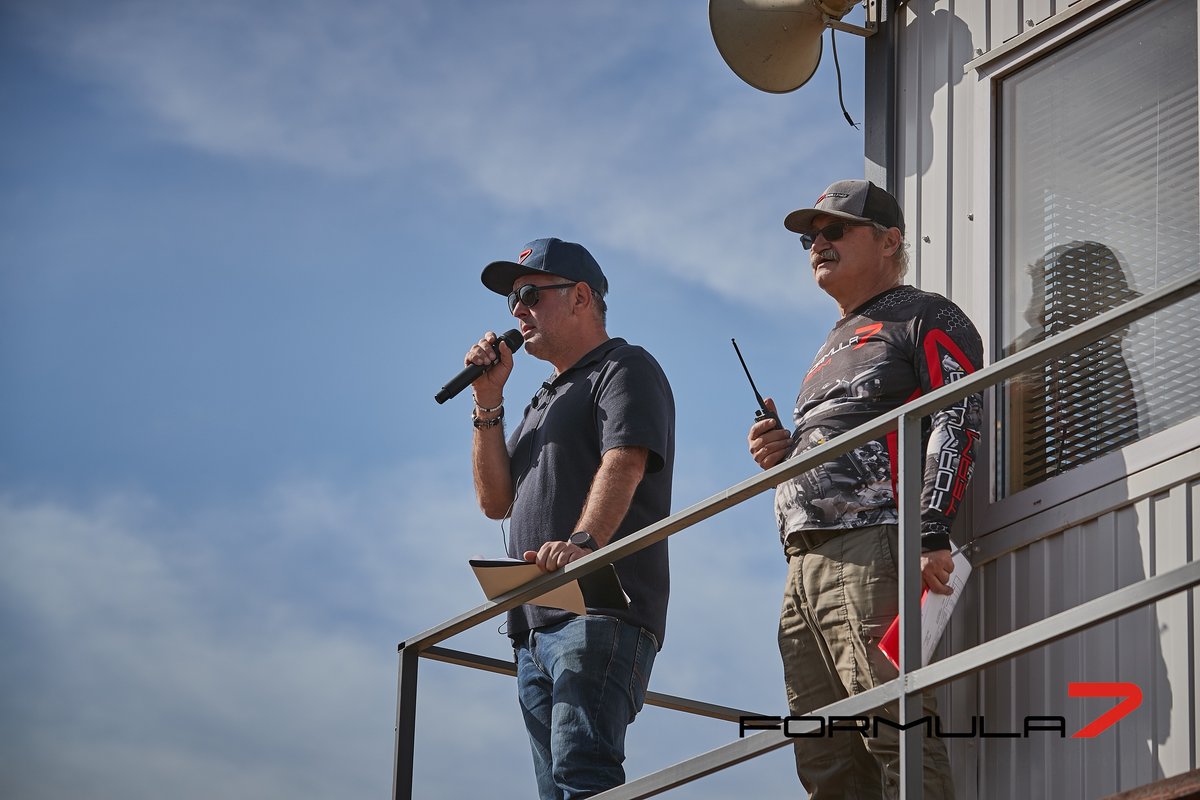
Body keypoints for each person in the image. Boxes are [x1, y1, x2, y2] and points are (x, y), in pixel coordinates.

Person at [747, 180, 983, 799]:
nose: (817, 245)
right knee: (824, 760)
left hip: (874, 545)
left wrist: (932, 530)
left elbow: (958, 416)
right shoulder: (832, 342)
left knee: (893, 730)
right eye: (809, 238)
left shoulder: (926, 314)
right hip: (802, 564)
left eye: (834, 230)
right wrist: (785, 452)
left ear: (889, 240)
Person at [465, 237, 675, 800]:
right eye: (512, 300)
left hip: (598, 607)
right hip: (533, 624)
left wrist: (583, 543)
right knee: (556, 790)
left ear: (581, 297)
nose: (517, 311)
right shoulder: (542, 399)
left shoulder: (623, 366)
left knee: (584, 774)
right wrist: (487, 401)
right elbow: (495, 501)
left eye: (531, 294)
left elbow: (625, 460)